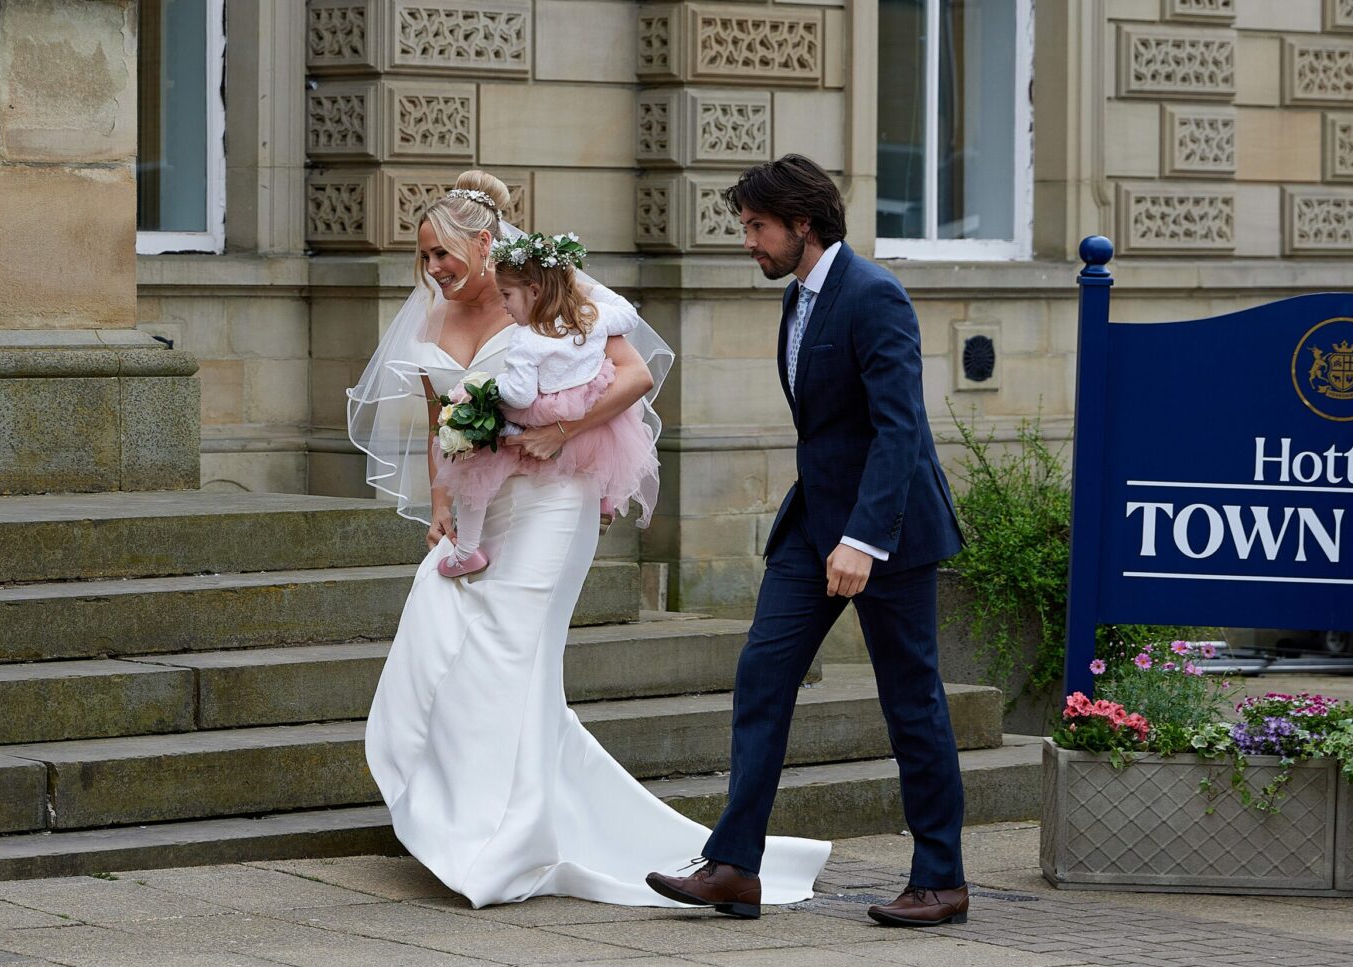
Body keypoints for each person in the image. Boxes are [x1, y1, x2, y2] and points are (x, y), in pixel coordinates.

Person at [345, 169, 830, 910]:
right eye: (425, 259)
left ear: (484, 243)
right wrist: (440, 500)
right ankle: (475, 815)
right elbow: (441, 417)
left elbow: (634, 375)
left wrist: (562, 431)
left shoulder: (546, 291)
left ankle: (509, 839)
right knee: (443, 627)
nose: (434, 270)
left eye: (443, 255)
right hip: (481, 503)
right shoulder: (432, 321)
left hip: (552, 500)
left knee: (514, 649)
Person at [644, 154, 970, 926]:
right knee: (762, 676)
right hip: (812, 526)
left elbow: (900, 431)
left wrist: (863, 539)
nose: (748, 241)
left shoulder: (874, 295)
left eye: (756, 226)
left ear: (802, 223)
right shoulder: (799, 296)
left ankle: (941, 879)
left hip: (884, 531)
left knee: (910, 701)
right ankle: (734, 866)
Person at [429, 229, 660, 578]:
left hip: (543, 412)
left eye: (507, 294)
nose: (504, 304)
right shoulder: (588, 316)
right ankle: (606, 500)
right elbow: (628, 315)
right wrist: (587, 295)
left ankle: (467, 550)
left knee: (477, 461)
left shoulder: (527, 337)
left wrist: (489, 386)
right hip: (588, 401)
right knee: (603, 445)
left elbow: (521, 394)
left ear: (533, 291)